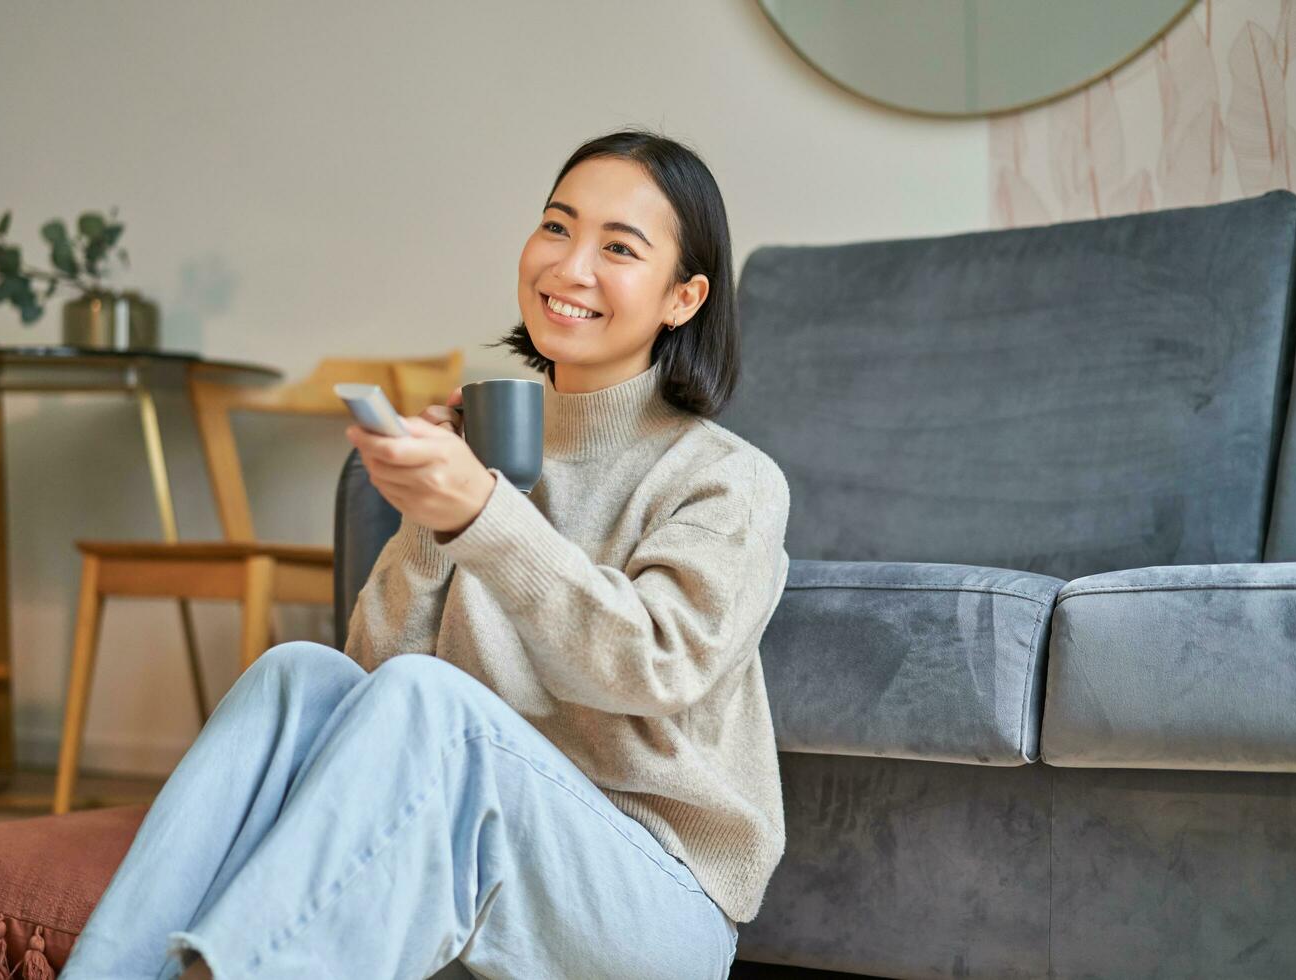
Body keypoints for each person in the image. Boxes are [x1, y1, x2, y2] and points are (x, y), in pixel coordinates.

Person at [59, 127, 791, 980]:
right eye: (557, 227)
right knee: (296, 676)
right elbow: (373, 698)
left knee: (431, 700)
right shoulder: (480, 456)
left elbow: (651, 668)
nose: (570, 266)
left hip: (654, 900)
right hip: (484, 842)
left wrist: (483, 518)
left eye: (618, 248)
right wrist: (431, 527)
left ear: (683, 297)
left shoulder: (728, 481)